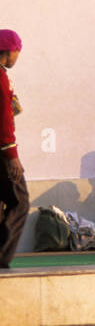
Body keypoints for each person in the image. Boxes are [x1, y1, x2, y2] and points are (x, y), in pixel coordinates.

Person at [0, 30, 28, 269]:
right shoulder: (1, 77)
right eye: (17, 50)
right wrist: (12, 156)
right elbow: (4, 118)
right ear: (8, 51)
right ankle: (2, 255)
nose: (17, 56)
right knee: (20, 201)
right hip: (2, 151)